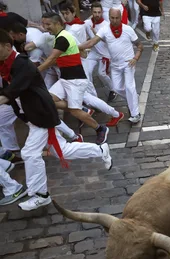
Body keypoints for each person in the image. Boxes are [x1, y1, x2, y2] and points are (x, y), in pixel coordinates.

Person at [0, 29, 112, 211]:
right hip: (32, 115)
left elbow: (11, 92)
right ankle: (100, 150)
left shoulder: (22, 64)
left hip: (41, 115)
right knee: (64, 150)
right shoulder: (6, 64)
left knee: (29, 153)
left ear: (6, 46)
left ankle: (40, 195)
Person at [37, 12, 111, 144]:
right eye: (43, 24)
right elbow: (75, 54)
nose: (45, 27)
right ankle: (81, 109)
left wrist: (34, 72)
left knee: (74, 111)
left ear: (58, 23)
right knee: (48, 99)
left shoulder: (62, 38)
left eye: (48, 24)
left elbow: (52, 58)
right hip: (66, 79)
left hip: (75, 80)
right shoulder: (60, 36)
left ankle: (100, 129)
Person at [78, 8, 143, 123]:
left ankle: (135, 114)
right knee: (117, 89)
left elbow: (140, 46)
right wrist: (75, 47)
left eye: (117, 18)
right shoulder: (104, 30)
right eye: (112, 18)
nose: (114, 20)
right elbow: (92, 42)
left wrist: (135, 58)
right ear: (109, 17)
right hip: (115, 65)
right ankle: (133, 98)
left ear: (120, 17)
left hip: (128, 63)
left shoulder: (128, 29)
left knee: (129, 86)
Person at [84, 2, 118, 103]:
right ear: (91, 12)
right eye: (95, 12)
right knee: (87, 71)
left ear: (102, 12)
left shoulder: (107, 25)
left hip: (105, 54)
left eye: (99, 12)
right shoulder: (87, 23)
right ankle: (92, 95)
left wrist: (97, 35)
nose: (97, 14)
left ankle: (113, 89)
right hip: (93, 52)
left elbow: (111, 41)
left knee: (101, 73)